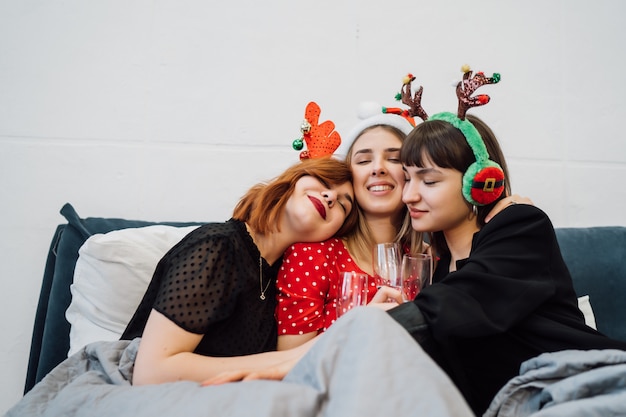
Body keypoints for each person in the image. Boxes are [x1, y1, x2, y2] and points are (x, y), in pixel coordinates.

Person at [386, 67, 626, 415]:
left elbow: (469, 299)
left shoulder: (521, 227)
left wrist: (375, 328)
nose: (409, 195)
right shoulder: (437, 274)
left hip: (582, 387)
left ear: (480, 181)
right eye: (407, 179)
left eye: (429, 181)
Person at [276, 98, 527, 351]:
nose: (377, 168)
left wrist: (503, 210)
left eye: (394, 159)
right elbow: (289, 359)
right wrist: (359, 326)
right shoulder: (314, 255)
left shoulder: (433, 261)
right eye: (363, 161)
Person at [121, 154, 358, 384]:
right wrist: (291, 358)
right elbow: (151, 372)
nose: (330, 196)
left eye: (343, 205)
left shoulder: (285, 280)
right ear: (294, 180)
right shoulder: (218, 246)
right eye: (324, 182)